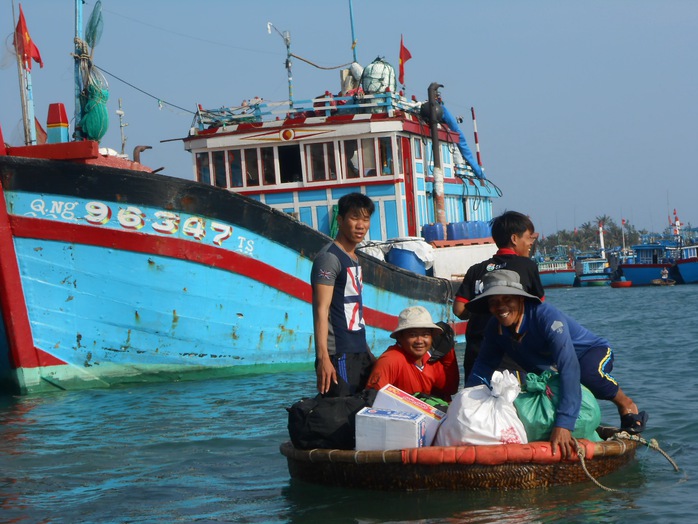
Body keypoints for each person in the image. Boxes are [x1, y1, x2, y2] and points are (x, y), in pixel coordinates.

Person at [464, 269, 648, 459]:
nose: (500, 307)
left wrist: (564, 424)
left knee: (587, 374)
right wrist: (465, 404)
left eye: (507, 299)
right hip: (550, 368)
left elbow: (569, 366)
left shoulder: (546, 317)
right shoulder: (495, 330)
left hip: (590, 353)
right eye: (494, 302)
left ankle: (626, 404)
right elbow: (482, 369)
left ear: (520, 299)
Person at [453, 211, 545, 380]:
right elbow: (539, 309)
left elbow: (459, 310)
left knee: (477, 402)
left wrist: (484, 308)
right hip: (511, 355)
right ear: (514, 239)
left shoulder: (476, 269)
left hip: (476, 353)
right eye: (528, 237)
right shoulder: (527, 266)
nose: (531, 243)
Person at [311, 192, 375, 397]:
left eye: (365, 219)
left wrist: (368, 354)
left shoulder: (354, 258)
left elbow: (354, 311)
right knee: (340, 415)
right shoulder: (329, 258)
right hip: (338, 353)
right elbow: (321, 309)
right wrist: (324, 358)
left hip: (358, 352)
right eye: (354, 218)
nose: (360, 225)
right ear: (340, 220)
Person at [365, 306, 460, 402]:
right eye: (412, 335)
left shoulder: (434, 359)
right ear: (400, 337)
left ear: (432, 337)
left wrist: (449, 352)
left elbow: (450, 390)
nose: (419, 341)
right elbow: (372, 400)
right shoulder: (391, 360)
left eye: (425, 335)